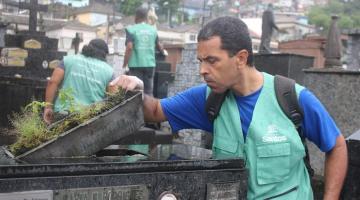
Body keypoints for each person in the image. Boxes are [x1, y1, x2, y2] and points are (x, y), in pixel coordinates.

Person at [111, 17, 347, 199]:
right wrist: (136, 89)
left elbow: (336, 145)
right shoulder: (208, 100)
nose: (202, 69)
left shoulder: (291, 98)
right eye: (200, 61)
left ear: (241, 58)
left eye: (211, 60)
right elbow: (154, 111)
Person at [43, 39, 116, 124]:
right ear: (105, 54)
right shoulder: (109, 71)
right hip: (90, 119)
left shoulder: (68, 60)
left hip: (63, 113)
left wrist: (48, 107)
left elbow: (52, 82)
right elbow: (113, 98)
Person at [123, 7, 166, 96]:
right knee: (148, 91)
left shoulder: (131, 29)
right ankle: (149, 109)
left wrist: (125, 63)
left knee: (135, 92)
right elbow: (159, 46)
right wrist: (163, 51)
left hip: (135, 65)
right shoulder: (153, 30)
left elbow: (129, 47)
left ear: (136, 17)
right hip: (150, 65)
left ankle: (137, 110)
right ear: (146, 17)